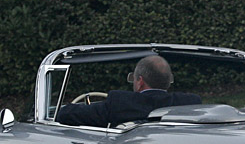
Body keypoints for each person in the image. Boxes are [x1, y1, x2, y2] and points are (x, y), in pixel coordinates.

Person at [56, 55, 202, 128]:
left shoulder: (120, 103)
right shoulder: (190, 104)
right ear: (168, 81)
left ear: (140, 82)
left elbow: (66, 114)